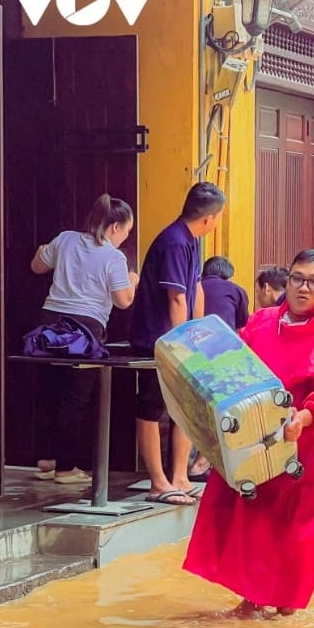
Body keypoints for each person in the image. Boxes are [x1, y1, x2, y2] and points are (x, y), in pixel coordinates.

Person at [183, 249, 314, 618]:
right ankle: (252, 598)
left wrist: (305, 418)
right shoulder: (263, 322)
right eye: (297, 278)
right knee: (254, 518)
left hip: (306, 446)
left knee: (295, 527)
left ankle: (285, 604)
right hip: (256, 436)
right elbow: (233, 364)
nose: (303, 288)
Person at [30, 194, 138, 483]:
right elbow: (123, 300)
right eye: (127, 230)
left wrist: (44, 250)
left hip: (49, 323)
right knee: (75, 399)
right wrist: (134, 280)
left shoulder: (65, 239)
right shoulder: (114, 257)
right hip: (84, 330)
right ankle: (66, 468)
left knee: (49, 393)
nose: (127, 236)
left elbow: (37, 266)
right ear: (114, 227)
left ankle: (48, 458)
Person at [129, 181, 225, 506]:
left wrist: (198, 335)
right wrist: (180, 344)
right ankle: (158, 482)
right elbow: (176, 296)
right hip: (159, 339)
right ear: (210, 218)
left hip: (181, 337)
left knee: (185, 407)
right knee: (152, 407)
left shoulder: (193, 241)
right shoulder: (173, 241)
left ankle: (180, 477)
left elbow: (195, 289)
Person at [201, 256, 249, 331]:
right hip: (226, 338)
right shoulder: (237, 290)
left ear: (203, 274)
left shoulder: (195, 288)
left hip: (196, 337)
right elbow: (242, 324)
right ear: (229, 277)